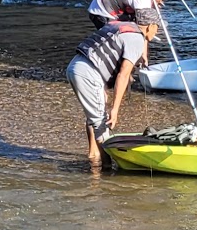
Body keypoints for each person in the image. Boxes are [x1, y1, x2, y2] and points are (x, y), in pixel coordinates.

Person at [67, 17, 158, 168]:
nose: (157, 31)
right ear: (150, 26)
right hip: (88, 73)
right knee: (102, 123)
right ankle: (107, 168)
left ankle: (93, 155)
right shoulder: (137, 39)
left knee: (95, 114)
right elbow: (123, 74)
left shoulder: (122, 25)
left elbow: (104, 49)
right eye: (157, 27)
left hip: (75, 65)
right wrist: (115, 109)